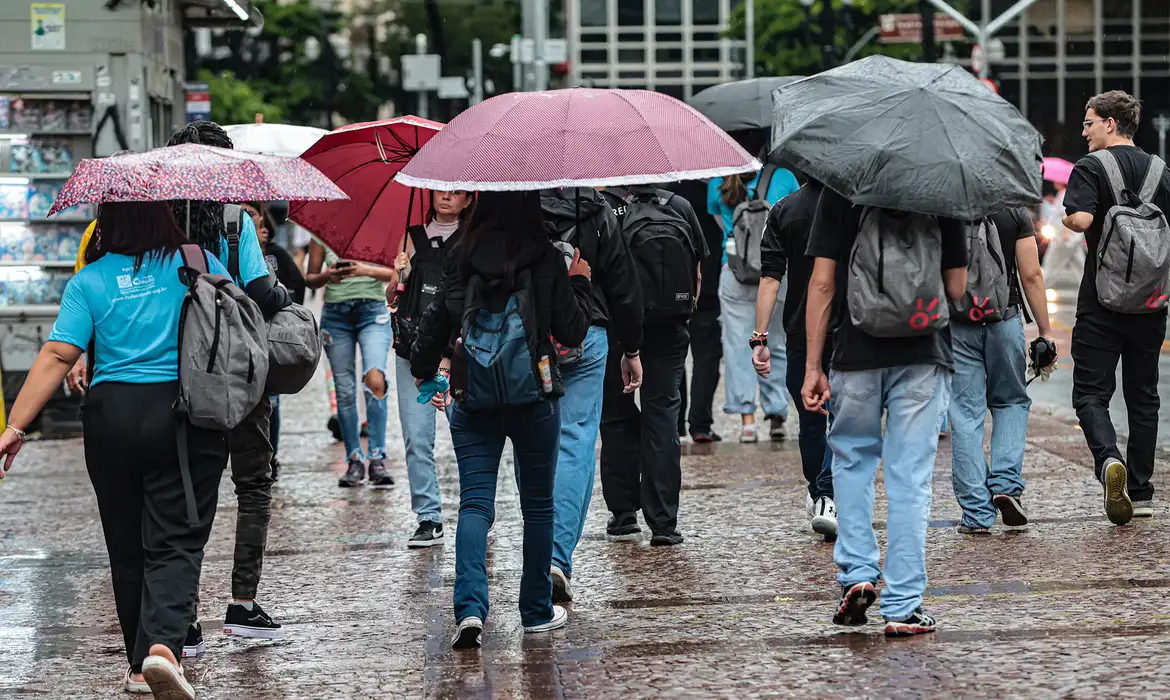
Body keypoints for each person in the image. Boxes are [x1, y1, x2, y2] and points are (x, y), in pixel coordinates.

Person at [0, 202, 231, 700]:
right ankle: (163, 649)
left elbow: (59, 353)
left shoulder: (90, 280)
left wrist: (16, 428)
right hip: (183, 411)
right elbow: (234, 327)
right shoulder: (200, 261)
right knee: (178, 533)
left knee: (126, 543)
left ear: (107, 225)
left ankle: (136, 664)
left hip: (112, 415)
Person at [409, 190, 593, 649]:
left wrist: (423, 368)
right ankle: (534, 612)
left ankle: (470, 610)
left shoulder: (462, 255)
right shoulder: (546, 257)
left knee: (474, 504)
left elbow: (436, 324)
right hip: (534, 394)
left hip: (473, 395)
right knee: (537, 505)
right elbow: (572, 330)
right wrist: (580, 282)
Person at [804, 189, 967, 637]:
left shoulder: (841, 190)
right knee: (910, 479)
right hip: (924, 352)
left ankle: (857, 572)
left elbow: (822, 283)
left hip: (855, 353)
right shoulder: (942, 191)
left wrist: (813, 366)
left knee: (852, 463)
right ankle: (903, 606)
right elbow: (955, 288)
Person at [167, 121, 292, 648]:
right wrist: (282, 293)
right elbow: (263, 294)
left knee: (187, 493)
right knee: (253, 485)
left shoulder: (157, 224)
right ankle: (242, 604)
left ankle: (184, 615)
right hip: (241, 376)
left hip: (179, 374)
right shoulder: (238, 223)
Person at [1062, 90, 1170, 525]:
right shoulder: (1161, 171)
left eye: (1088, 123)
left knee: (1090, 392)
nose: (1084, 131)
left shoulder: (1090, 167)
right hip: (1150, 302)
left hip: (1101, 303)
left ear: (1110, 123)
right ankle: (1141, 492)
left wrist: (1069, 219)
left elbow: (1083, 221)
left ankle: (1109, 460)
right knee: (1143, 396)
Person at [540, 186, 643, 601]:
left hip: (529, 334)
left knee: (535, 444)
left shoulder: (512, 200)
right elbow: (623, 283)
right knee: (577, 442)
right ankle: (557, 556)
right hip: (588, 331)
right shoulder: (595, 207)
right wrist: (631, 348)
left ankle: (542, 553)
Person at [599, 183, 709, 546]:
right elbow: (696, 273)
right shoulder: (680, 206)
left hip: (618, 328)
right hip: (670, 328)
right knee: (662, 417)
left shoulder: (606, 207)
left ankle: (624, 513)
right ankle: (663, 522)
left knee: (616, 415)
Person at [948, 208, 1054, 534]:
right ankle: (1006, 485)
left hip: (958, 323)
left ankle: (977, 514)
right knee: (1010, 402)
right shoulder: (1014, 211)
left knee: (966, 415)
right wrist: (1045, 332)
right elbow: (1031, 275)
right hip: (1004, 320)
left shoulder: (947, 206)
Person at [387, 190, 474, 548]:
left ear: (469, 200)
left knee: (467, 435)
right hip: (412, 350)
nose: (447, 198)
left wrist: (450, 355)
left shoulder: (472, 241)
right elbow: (394, 297)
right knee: (416, 437)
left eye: (456, 193)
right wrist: (397, 277)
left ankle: (476, 508)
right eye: (441, 191)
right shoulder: (413, 235)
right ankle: (428, 516)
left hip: (459, 354)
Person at [753, 179, 836, 537]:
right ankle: (826, 493)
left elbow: (770, 278)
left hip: (801, 328)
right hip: (848, 325)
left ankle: (821, 492)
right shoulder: (850, 205)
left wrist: (760, 337)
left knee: (811, 418)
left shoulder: (784, 210)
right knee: (845, 415)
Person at [708, 160, 800, 442]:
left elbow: (722, 225)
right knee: (775, 344)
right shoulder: (783, 176)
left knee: (738, 347)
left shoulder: (717, 179)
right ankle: (777, 414)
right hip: (775, 272)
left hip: (734, 271)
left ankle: (747, 422)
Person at [305, 238, 398, 488]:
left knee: (375, 379)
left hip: (373, 311)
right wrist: (328, 276)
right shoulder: (322, 231)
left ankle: (377, 458)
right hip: (336, 317)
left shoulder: (377, 228)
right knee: (344, 391)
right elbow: (310, 278)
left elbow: (396, 272)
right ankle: (354, 460)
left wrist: (364, 270)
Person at [242, 201, 307, 482]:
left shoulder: (275, 254)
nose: (246, 220)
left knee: (271, 401)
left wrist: (288, 315)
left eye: (252, 215)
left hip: (267, 337)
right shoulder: (232, 249)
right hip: (242, 335)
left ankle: (270, 457)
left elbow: (298, 284)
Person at [667, 179, 726, 442]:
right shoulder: (714, 192)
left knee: (672, 355)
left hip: (671, 287)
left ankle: (675, 422)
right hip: (709, 284)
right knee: (707, 357)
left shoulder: (665, 196)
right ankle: (700, 424)